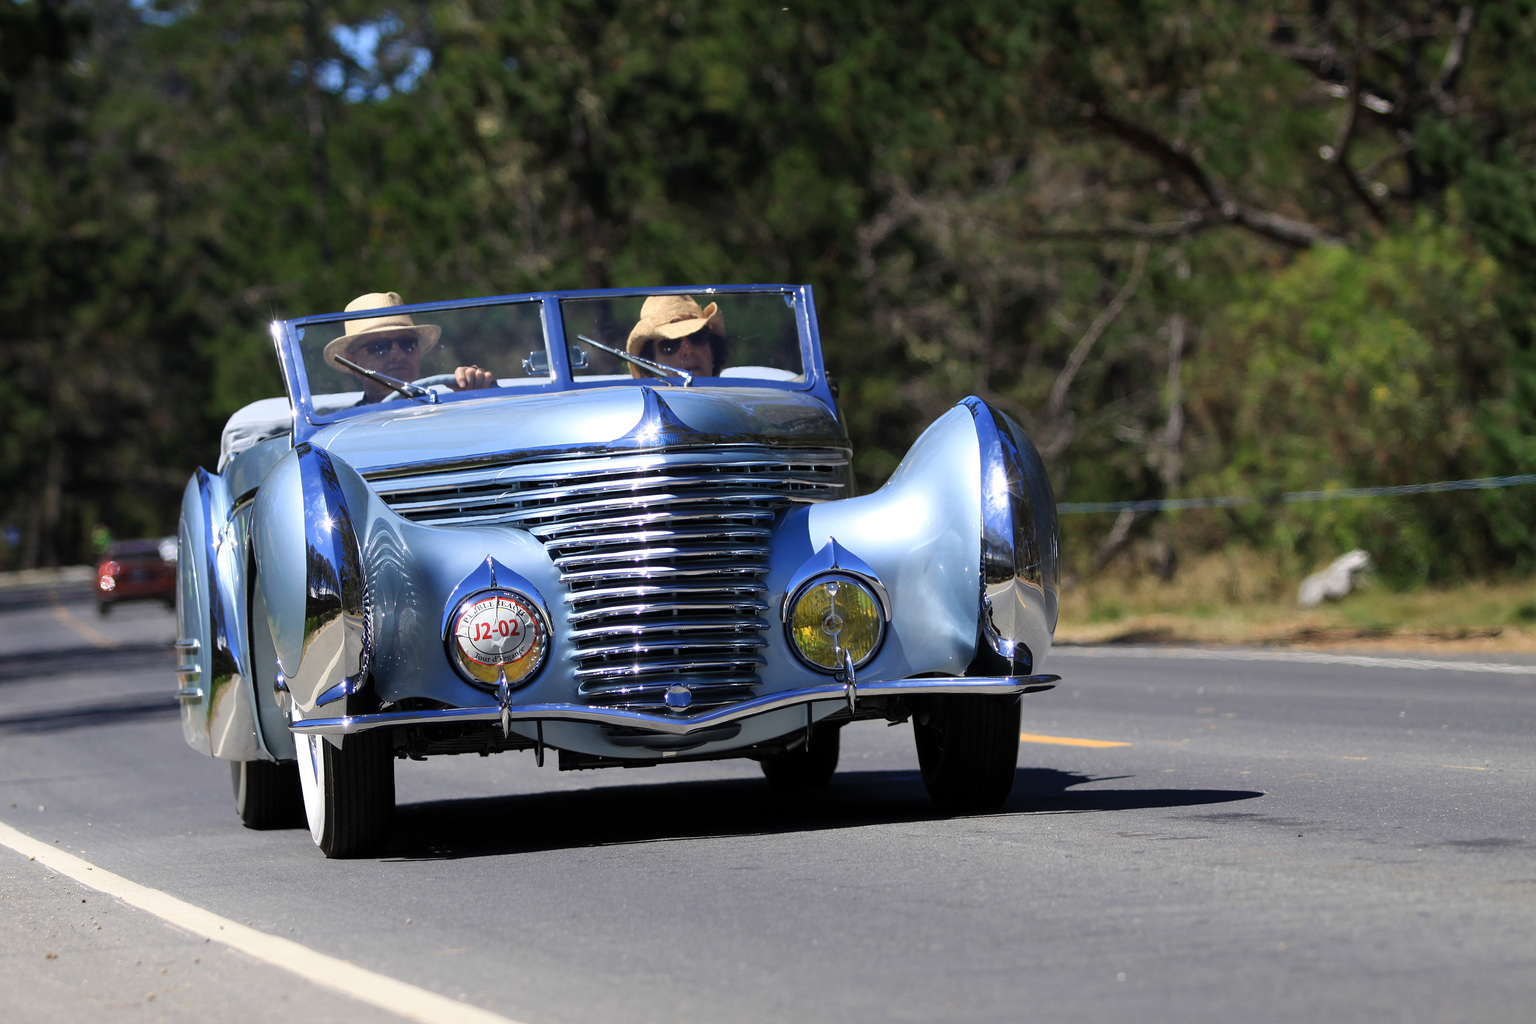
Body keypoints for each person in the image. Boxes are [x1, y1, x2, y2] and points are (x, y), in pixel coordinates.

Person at [323, 291, 496, 404]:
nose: (397, 354)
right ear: (354, 363)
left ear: (418, 351)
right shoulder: (346, 427)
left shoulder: (448, 408)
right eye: (378, 346)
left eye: (407, 343)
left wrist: (476, 396)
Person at [624, 295, 728, 379]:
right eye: (670, 344)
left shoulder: (738, 400)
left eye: (697, 337)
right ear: (651, 365)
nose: (688, 350)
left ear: (713, 352)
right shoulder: (638, 405)